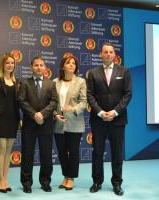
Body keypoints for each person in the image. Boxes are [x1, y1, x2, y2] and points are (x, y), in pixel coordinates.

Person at [86, 42, 132, 196]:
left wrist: (114, 112)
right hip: (98, 120)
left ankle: (117, 183)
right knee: (97, 152)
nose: (108, 54)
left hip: (117, 120)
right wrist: (100, 112)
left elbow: (127, 94)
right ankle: (97, 181)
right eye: (105, 52)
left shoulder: (124, 71)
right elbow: (89, 95)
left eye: (111, 52)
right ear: (100, 54)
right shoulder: (92, 73)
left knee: (117, 153)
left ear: (114, 54)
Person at [18, 56, 58, 193]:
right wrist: (34, 114)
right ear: (31, 67)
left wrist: (43, 114)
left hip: (46, 124)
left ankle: (45, 181)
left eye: (41, 65)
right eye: (36, 65)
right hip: (29, 124)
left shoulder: (51, 84)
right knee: (27, 154)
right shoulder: (25, 83)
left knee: (46, 155)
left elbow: (54, 102)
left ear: (45, 67)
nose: (39, 67)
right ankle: (26, 183)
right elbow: (22, 101)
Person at [53, 55, 87, 190]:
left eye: (74, 63)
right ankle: (65, 176)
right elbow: (52, 103)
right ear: (63, 66)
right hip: (58, 123)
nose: (72, 65)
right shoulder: (55, 82)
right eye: (68, 63)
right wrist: (55, 114)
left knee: (73, 152)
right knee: (61, 152)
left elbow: (83, 102)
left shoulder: (81, 82)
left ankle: (71, 178)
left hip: (75, 122)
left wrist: (72, 109)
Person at [0, 54, 20, 193]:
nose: (10, 65)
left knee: (8, 151)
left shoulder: (16, 81)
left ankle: (5, 179)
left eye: (12, 63)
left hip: (13, 118)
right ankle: (0, 179)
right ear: (3, 64)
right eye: (7, 62)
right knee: (1, 148)